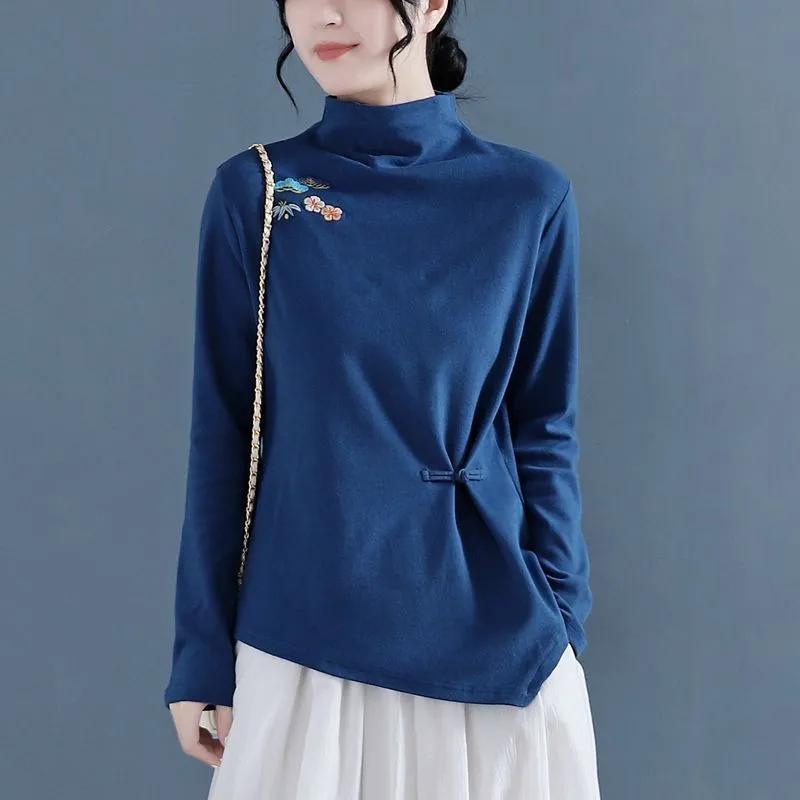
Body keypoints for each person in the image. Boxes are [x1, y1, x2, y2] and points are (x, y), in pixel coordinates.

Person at [164, 0, 602, 797]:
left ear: (430, 4)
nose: (323, 15)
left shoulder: (528, 196)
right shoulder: (258, 190)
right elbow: (223, 431)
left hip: (502, 646)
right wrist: (201, 652)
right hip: (304, 638)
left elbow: (543, 425)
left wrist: (564, 614)